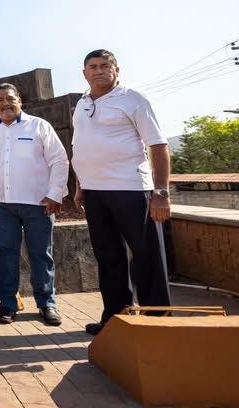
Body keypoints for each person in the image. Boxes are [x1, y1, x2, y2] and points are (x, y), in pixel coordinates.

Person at [72, 49, 172, 336]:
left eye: (105, 65)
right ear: (84, 72)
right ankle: (115, 319)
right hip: (94, 192)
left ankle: (159, 323)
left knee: (146, 257)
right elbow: (80, 146)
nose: (99, 70)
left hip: (130, 189)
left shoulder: (133, 99)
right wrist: (80, 186)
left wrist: (161, 192)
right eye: (93, 66)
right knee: (109, 257)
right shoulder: (82, 103)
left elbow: (158, 145)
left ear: (117, 69)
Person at [0, 83, 69, 325]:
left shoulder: (39, 126)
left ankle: (47, 304)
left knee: (41, 254)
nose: (5, 104)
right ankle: (7, 304)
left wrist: (55, 194)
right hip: (2, 205)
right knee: (7, 254)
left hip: (38, 204)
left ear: (19, 100)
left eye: (10, 99)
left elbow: (59, 160)